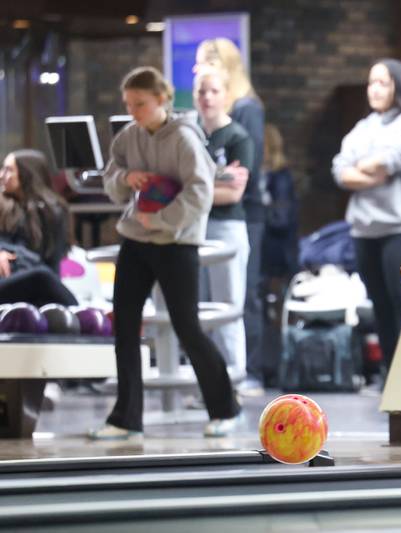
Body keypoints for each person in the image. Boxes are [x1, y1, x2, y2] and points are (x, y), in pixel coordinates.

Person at [94, 66, 240, 440]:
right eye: (129, 104)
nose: (133, 112)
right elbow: (112, 179)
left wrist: (159, 218)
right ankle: (126, 419)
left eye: (140, 104)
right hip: (137, 241)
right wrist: (126, 180)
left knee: (187, 327)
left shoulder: (185, 139)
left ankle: (226, 409)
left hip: (177, 244)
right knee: (124, 325)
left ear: (162, 100)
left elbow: (200, 194)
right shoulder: (128, 137)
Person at [332, 58, 401, 372]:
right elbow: (340, 171)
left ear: (399, 86)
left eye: (383, 82)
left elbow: (387, 161)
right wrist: (370, 172)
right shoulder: (363, 128)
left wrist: (363, 168)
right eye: (371, 82)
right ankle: (391, 379)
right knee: (381, 309)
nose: (375, 89)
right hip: (366, 231)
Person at [195, 38, 267, 390]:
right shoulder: (193, 131)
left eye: (212, 88)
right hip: (200, 223)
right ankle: (211, 377)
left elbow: (238, 182)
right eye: (200, 90)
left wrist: (194, 188)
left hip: (238, 217)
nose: (206, 96)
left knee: (235, 299)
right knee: (204, 304)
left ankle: (242, 373)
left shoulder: (243, 119)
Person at [259, 124, 299, 386]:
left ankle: (272, 369)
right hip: (268, 251)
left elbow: (281, 219)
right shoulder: (263, 175)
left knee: (273, 313)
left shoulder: (280, 176)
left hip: (275, 255)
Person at [0, 149, 70, 273]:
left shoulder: (52, 211)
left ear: (26, 173)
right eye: (3, 169)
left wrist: (11, 255)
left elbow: (48, 259)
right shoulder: (3, 205)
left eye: (9, 170)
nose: (1, 175)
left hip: (36, 278)